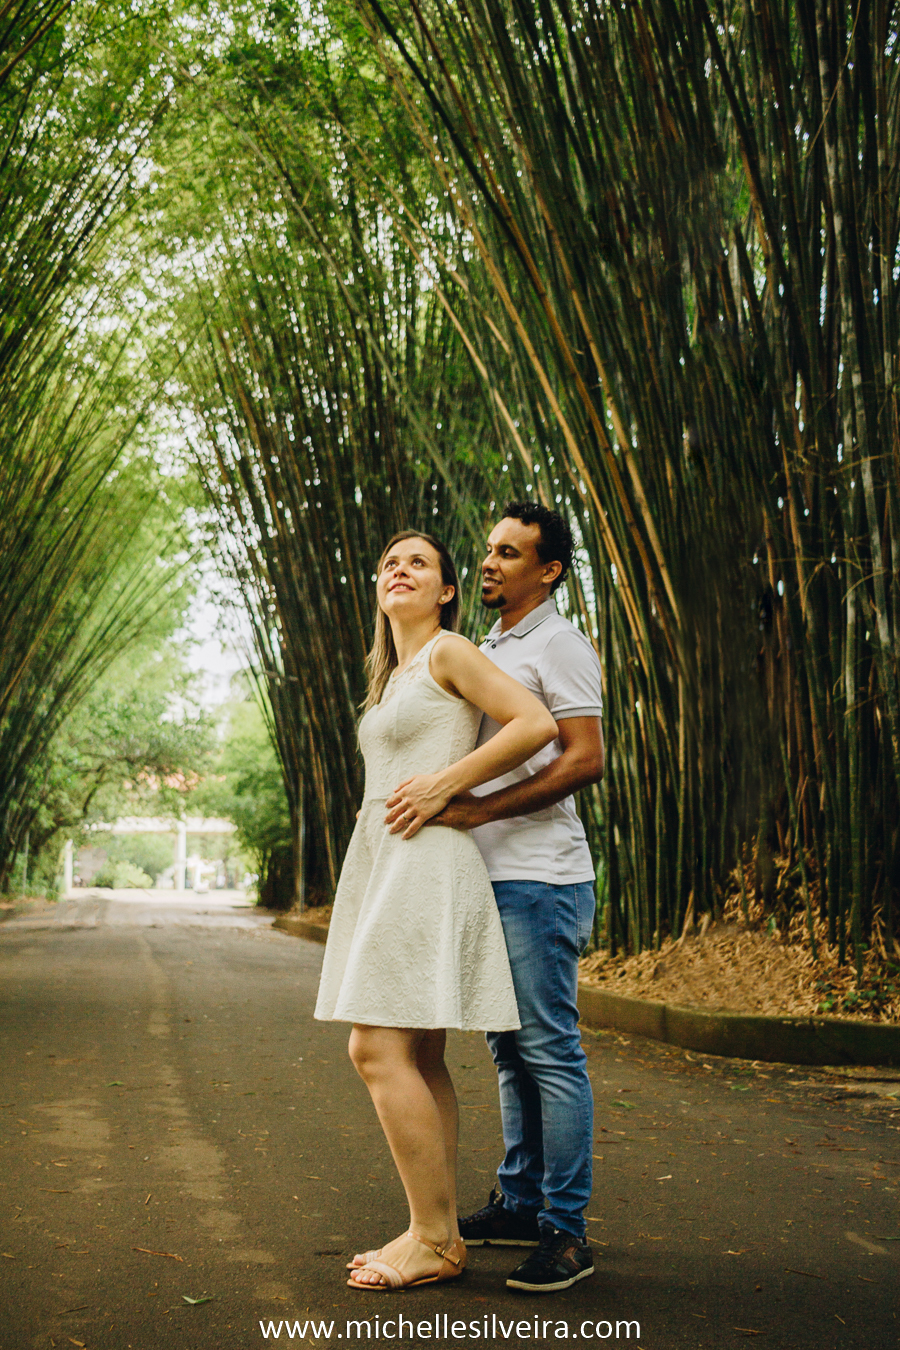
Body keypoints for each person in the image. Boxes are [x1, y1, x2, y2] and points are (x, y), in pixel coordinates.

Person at [314, 529, 558, 1292]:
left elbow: (535, 724)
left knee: (373, 1048)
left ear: (447, 590)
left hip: (425, 865)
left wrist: (445, 785)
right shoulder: (389, 678)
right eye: (388, 561)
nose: (399, 569)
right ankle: (439, 1232)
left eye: (418, 562)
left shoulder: (449, 651)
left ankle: (431, 1236)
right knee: (416, 1054)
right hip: (387, 861)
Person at [422, 501, 605, 1293]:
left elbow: (585, 758)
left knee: (549, 1050)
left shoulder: (559, 644)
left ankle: (567, 1232)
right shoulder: (489, 643)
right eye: (488, 549)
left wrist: (480, 809)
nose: (488, 563)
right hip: (491, 876)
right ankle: (522, 1200)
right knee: (507, 1048)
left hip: (542, 877)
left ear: (550, 569)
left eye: (509, 552)